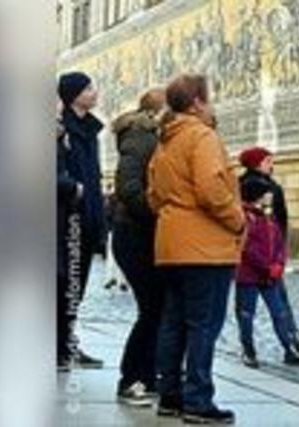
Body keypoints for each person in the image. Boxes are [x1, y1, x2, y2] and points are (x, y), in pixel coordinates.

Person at [147, 74, 245, 424]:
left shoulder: (165, 140)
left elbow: (153, 195)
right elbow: (210, 189)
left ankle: (170, 395)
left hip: (171, 244)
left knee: (173, 322)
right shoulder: (202, 136)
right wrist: (238, 220)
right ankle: (198, 401)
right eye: (209, 97)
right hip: (205, 247)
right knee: (203, 325)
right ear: (197, 102)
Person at [110, 88, 167, 406]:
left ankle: (147, 375)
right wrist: (158, 209)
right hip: (135, 234)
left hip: (144, 233)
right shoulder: (141, 137)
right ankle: (131, 379)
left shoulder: (150, 136)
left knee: (156, 308)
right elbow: (129, 187)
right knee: (151, 309)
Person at [238, 146, 299, 352]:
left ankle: (291, 339)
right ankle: (292, 340)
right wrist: (278, 256)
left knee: (264, 307)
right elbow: (277, 222)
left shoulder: (240, 184)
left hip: (266, 256)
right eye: (268, 161)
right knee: (276, 304)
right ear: (256, 164)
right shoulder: (264, 188)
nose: (272, 165)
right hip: (263, 260)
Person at [57, 72, 107, 370]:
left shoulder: (89, 129)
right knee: (65, 284)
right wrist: (73, 190)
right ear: (74, 94)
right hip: (68, 217)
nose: (94, 92)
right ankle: (59, 345)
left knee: (77, 286)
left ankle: (67, 342)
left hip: (88, 217)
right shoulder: (62, 129)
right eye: (88, 88)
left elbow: (94, 178)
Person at [235, 178, 299, 368]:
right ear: (256, 196)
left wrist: (279, 263)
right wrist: (267, 266)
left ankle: (289, 350)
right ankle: (248, 351)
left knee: (280, 313)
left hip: (270, 276)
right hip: (248, 275)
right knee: (246, 315)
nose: (269, 197)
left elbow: (279, 243)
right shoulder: (243, 217)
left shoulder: (268, 217)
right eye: (266, 194)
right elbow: (247, 249)